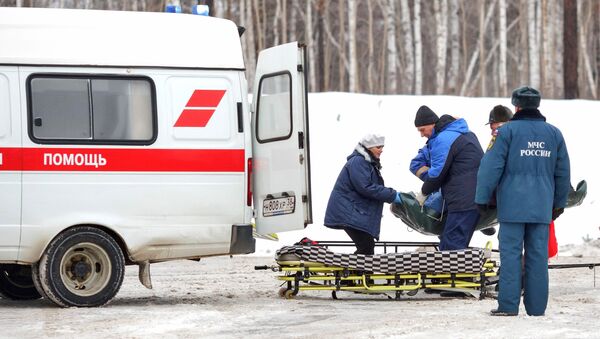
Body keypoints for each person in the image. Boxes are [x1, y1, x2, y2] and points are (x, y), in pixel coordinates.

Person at [475, 86, 570, 316]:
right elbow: (563, 172)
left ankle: (508, 306)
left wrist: (482, 198)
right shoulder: (554, 134)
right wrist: (558, 203)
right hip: (541, 206)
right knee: (537, 258)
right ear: (537, 105)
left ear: (516, 106)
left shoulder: (506, 133)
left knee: (511, 255)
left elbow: (490, 167)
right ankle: (537, 309)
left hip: (511, 206)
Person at [410, 106, 484, 251]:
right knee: (454, 244)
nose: (421, 134)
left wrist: (424, 193)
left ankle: (453, 273)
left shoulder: (443, 139)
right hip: (472, 197)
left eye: (422, 129)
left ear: (432, 124)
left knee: (450, 249)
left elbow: (437, 173)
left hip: (463, 200)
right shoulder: (464, 133)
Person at [324, 134, 401, 255]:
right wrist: (393, 195)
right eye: (378, 147)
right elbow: (365, 187)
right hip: (347, 211)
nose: (382, 150)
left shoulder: (366, 162)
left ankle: (356, 270)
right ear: (369, 147)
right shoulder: (358, 161)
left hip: (352, 211)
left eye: (382, 147)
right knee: (366, 245)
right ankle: (351, 271)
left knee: (367, 245)